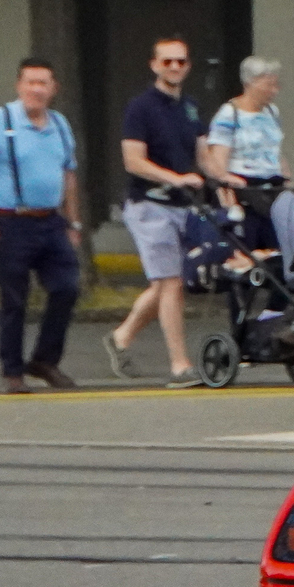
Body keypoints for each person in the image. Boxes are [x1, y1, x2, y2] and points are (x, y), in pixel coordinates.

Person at [0, 58, 82, 394]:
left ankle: (45, 360)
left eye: (43, 83)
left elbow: (68, 175)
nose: (37, 90)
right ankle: (12, 371)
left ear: (53, 88)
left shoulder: (59, 124)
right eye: (31, 82)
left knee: (66, 287)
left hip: (50, 222)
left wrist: (73, 221)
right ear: (19, 85)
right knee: (14, 298)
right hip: (10, 221)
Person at [106, 36, 208, 388]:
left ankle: (121, 337)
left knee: (165, 283)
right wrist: (177, 179)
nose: (175, 67)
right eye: (168, 62)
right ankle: (180, 365)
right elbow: (133, 161)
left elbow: (205, 156)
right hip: (149, 206)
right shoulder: (140, 108)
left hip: (183, 207)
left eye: (181, 61)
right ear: (154, 65)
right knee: (172, 282)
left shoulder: (191, 108)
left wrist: (228, 180)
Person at [204, 55, 289, 251]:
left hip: (272, 189)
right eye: (269, 85)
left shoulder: (272, 112)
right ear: (251, 83)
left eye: (276, 85)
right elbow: (218, 161)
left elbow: (274, 148)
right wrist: (225, 186)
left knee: (275, 247)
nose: (274, 91)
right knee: (245, 247)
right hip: (244, 188)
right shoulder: (229, 114)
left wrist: (286, 176)